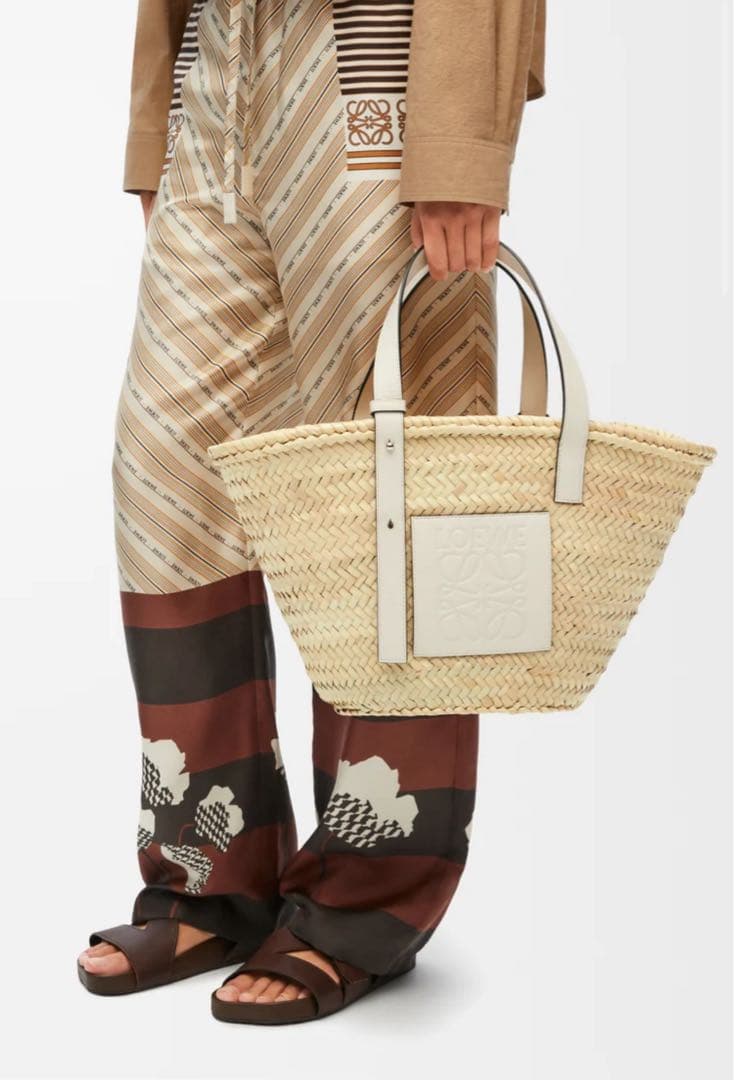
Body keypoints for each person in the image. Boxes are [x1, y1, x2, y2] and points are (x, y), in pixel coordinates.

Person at [77, 0, 546, 1023]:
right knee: (170, 481)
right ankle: (210, 871)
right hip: (214, 74)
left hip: (375, 68)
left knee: (386, 485)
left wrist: (461, 142)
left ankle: (367, 900)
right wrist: (157, 126)